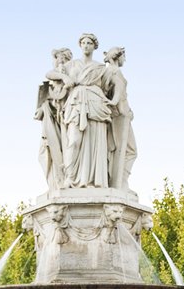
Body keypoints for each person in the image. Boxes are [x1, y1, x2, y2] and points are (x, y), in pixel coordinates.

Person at [60, 33, 111, 188]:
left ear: (94, 46)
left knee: (93, 141)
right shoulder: (72, 65)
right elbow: (50, 73)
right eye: (83, 42)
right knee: (73, 141)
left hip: (95, 104)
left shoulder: (101, 68)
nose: (86, 45)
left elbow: (111, 87)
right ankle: (70, 177)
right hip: (75, 103)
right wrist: (64, 78)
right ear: (80, 45)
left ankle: (91, 180)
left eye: (89, 43)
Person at [35, 48, 73, 189]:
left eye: (61, 58)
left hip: (65, 122)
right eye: (56, 58)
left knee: (66, 149)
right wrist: (42, 108)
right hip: (51, 122)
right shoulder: (50, 84)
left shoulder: (70, 79)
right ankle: (55, 183)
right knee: (45, 155)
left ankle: (63, 180)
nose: (58, 61)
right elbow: (39, 112)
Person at [103, 46, 136, 190]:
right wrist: (115, 103)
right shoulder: (114, 71)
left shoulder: (109, 71)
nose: (124, 60)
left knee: (118, 149)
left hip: (120, 112)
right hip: (120, 114)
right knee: (126, 150)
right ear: (117, 56)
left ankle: (119, 181)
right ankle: (120, 182)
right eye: (123, 57)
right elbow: (117, 91)